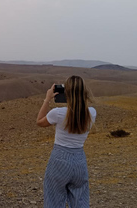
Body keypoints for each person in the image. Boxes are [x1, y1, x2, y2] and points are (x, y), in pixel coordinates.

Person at [36, 75, 97, 208]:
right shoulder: (91, 113)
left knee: (54, 200)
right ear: (84, 92)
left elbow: (39, 121)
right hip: (80, 160)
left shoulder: (57, 113)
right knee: (80, 200)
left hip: (59, 159)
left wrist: (47, 99)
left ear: (66, 93)